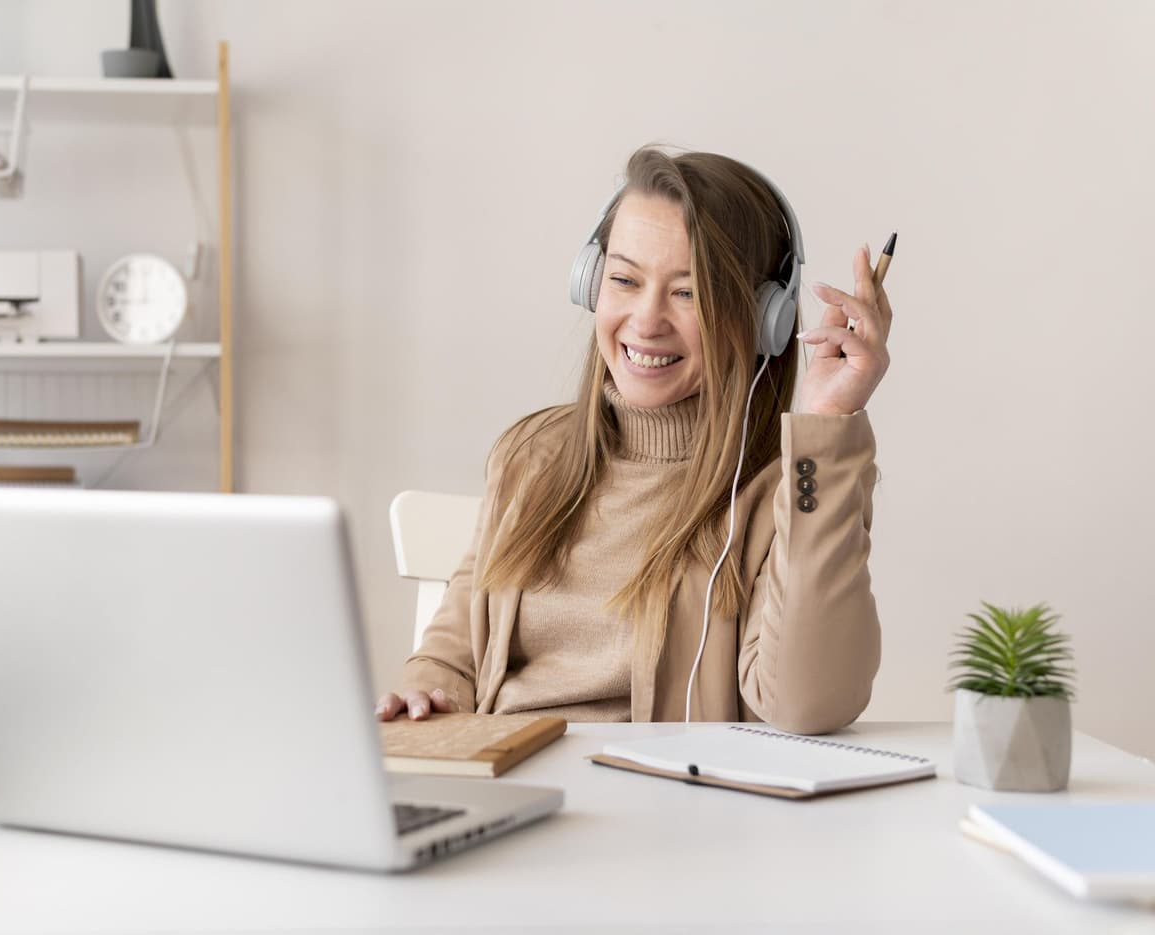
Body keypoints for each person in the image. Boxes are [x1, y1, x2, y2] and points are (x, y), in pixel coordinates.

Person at [376, 145, 892, 732]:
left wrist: (826, 423)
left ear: (764, 317)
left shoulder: (790, 487)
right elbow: (456, 645)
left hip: (660, 806)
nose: (646, 321)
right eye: (623, 279)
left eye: (689, 291)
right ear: (590, 283)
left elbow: (808, 704)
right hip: (512, 780)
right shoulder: (531, 455)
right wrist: (428, 687)